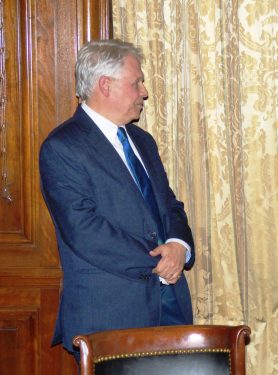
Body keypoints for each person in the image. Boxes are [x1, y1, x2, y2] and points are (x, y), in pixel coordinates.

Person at [39, 39, 195, 361]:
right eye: (136, 82)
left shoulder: (142, 141)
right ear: (105, 85)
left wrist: (179, 245)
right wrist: (160, 262)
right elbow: (84, 230)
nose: (145, 92)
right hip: (111, 315)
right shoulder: (63, 147)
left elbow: (168, 204)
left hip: (171, 305)